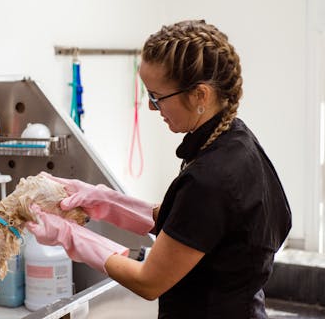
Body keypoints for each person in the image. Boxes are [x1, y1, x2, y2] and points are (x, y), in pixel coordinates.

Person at [26, 19, 292, 319]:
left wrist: (70, 236)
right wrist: (103, 201)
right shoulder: (235, 140)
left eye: (157, 96)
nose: (152, 108)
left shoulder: (213, 178)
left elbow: (148, 281)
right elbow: (190, 222)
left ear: (200, 95)